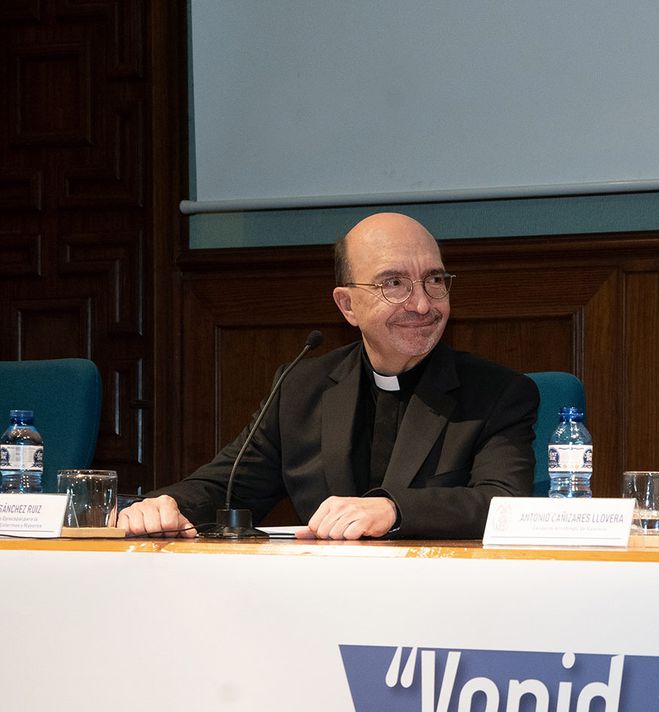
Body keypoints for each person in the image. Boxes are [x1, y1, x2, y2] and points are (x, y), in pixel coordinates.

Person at [119, 212, 540, 540]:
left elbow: (504, 504)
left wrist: (393, 510)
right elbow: (229, 486)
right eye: (393, 283)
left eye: (434, 280)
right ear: (347, 306)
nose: (421, 304)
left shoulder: (498, 393)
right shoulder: (302, 388)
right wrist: (164, 504)